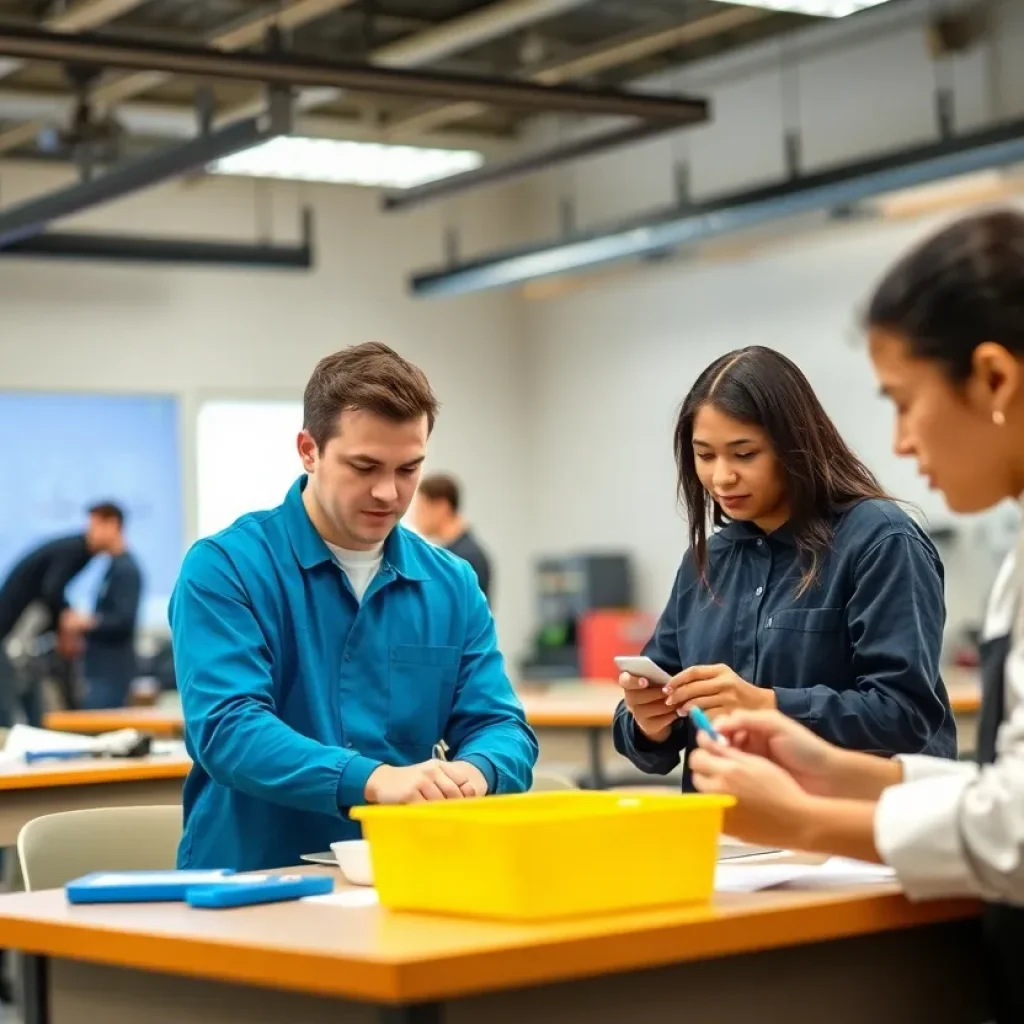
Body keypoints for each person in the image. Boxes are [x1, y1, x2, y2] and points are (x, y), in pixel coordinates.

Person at [688, 210, 1024, 1023]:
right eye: (706, 456)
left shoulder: (880, 538)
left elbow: (1013, 826)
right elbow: (1006, 789)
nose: (900, 442)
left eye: (905, 402)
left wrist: (809, 818)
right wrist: (841, 770)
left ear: (994, 380)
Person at [170, 342, 538, 871]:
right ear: (308, 450)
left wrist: (477, 771)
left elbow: (501, 724)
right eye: (364, 467)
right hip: (250, 881)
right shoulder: (225, 568)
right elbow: (228, 729)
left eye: (409, 468)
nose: (388, 492)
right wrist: (372, 780)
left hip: (402, 874)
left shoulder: (451, 584)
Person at [613, 345, 957, 790]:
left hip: (853, 822)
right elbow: (650, 715)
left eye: (744, 454)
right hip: (731, 822)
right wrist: (648, 723)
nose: (721, 477)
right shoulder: (708, 561)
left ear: (795, 446)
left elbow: (905, 714)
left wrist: (768, 705)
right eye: (705, 455)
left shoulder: (880, 541)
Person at [0, 503, 124, 725]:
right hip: (12, 629)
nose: (91, 530)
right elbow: (51, 589)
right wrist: (66, 621)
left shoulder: (80, 552)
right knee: (9, 703)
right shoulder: (76, 550)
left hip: (18, 627)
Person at [64, 502, 143, 710]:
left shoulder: (126, 570)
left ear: (112, 524)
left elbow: (124, 620)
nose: (89, 534)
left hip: (111, 675)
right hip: (98, 672)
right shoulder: (111, 567)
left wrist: (85, 622)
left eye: (94, 527)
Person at [411, 473, 493, 601]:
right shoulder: (452, 553)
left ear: (442, 507)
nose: (415, 518)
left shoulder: (466, 558)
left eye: (422, 509)